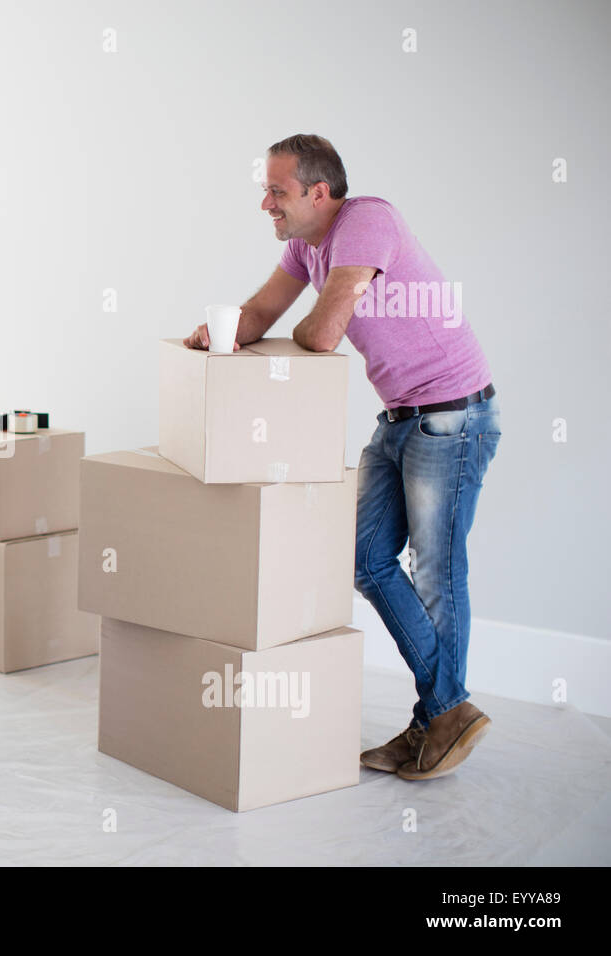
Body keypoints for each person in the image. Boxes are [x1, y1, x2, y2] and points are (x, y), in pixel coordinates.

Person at [184, 134, 500, 781]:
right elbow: (262, 312)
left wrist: (301, 323)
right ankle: (445, 713)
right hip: (401, 416)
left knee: (437, 572)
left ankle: (436, 719)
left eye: (277, 191)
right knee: (363, 557)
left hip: (453, 416)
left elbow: (321, 334)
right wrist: (217, 333)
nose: (265, 203)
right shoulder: (307, 245)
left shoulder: (367, 221)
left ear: (318, 192)